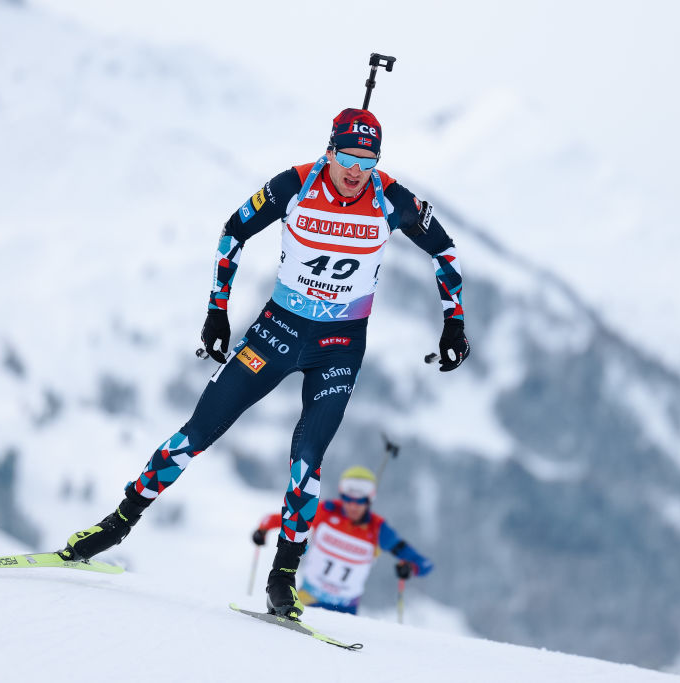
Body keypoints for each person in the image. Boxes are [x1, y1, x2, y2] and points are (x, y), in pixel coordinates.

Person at [58, 107, 469, 620]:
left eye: (367, 159)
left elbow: (444, 250)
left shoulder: (391, 196)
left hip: (339, 347)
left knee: (307, 462)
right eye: (346, 155)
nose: (355, 169)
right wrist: (216, 313)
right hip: (276, 334)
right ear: (330, 149)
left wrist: (454, 322)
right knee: (196, 434)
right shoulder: (295, 183)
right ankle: (115, 526)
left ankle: (283, 579)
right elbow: (233, 231)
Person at [252, 465, 433, 614]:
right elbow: (285, 518)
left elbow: (424, 564)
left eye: (360, 499)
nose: (353, 505)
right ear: (341, 493)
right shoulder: (327, 511)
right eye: (348, 496)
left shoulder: (378, 529)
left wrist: (411, 568)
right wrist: (263, 529)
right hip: (308, 599)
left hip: (346, 608)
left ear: (370, 499)